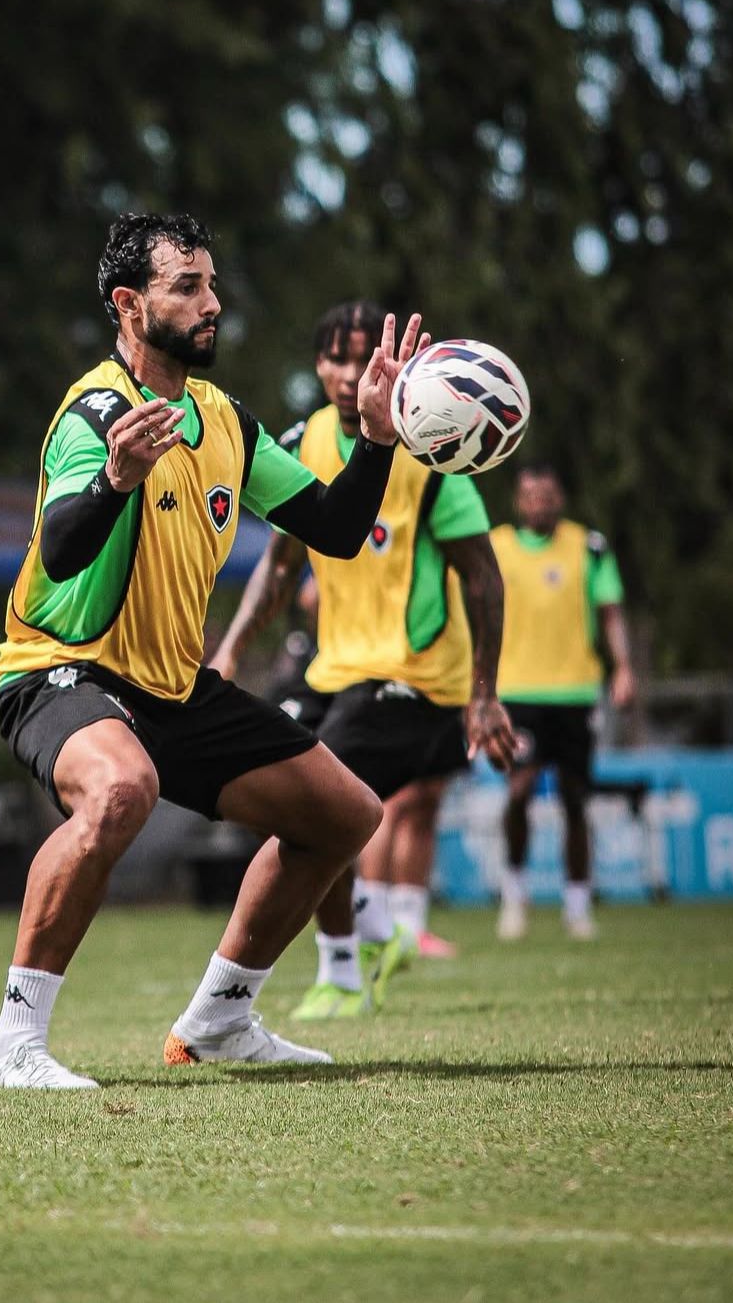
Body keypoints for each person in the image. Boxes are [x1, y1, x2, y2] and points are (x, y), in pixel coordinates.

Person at [0, 213, 427, 1088]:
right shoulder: (96, 411)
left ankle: (220, 1018)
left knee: (345, 814)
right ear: (128, 305)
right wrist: (115, 480)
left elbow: (335, 529)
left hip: (171, 687)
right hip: (59, 670)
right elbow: (61, 549)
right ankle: (14, 1042)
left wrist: (377, 440)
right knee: (122, 788)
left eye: (211, 284)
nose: (211, 303)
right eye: (186, 287)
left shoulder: (224, 420)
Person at [211, 299, 515, 1017]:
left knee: (314, 807)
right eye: (336, 358)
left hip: (414, 678)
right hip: (334, 669)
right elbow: (280, 567)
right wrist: (228, 651)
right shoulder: (301, 441)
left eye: (363, 358)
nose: (351, 374)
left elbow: (482, 576)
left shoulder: (430, 448)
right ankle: (377, 929)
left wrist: (484, 693)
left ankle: (343, 969)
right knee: (256, 786)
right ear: (317, 367)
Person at [491, 464, 637, 941]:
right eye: (531, 495)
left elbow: (610, 612)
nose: (540, 502)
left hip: (575, 692)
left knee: (575, 798)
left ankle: (577, 904)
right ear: (519, 502)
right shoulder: (497, 546)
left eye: (548, 494)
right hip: (518, 692)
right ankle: (514, 894)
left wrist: (623, 667)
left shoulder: (587, 547)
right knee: (519, 792)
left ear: (561, 499)